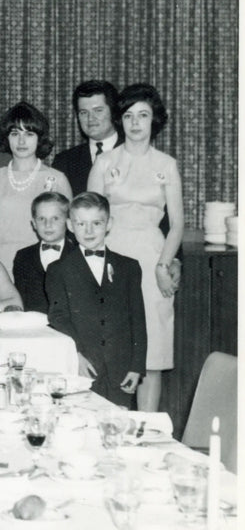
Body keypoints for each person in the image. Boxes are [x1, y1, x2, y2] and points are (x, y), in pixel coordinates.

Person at [88, 83, 183, 411]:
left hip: (153, 258)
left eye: (143, 115)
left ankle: (146, 435)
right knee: (110, 349)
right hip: (111, 259)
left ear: (154, 119)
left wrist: (163, 266)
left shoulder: (166, 164)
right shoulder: (104, 163)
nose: (136, 123)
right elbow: (90, 217)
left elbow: (178, 224)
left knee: (152, 355)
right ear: (119, 120)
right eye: (128, 115)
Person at [46, 192, 147, 408]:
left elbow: (137, 319)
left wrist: (136, 367)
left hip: (120, 370)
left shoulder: (129, 267)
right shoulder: (58, 270)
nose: (89, 231)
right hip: (82, 367)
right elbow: (58, 317)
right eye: (81, 224)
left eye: (96, 223)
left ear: (109, 224)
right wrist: (77, 355)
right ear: (70, 226)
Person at [0, 101, 71, 274]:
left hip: (46, 265)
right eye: (15, 133)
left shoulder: (58, 179)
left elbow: (70, 233)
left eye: (29, 134)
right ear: (7, 137)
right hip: (3, 266)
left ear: (39, 138)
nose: (21, 141)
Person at [54, 80, 122, 197]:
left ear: (113, 112)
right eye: (84, 112)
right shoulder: (64, 162)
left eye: (98, 111)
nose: (90, 118)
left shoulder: (137, 155)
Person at [12, 191, 73, 314]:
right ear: (34, 223)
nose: (48, 225)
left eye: (55, 218)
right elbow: (21, 299)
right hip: (34, 327)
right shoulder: (23, 257)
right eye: (41, 219)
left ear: (68, 222)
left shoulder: (78, 255)